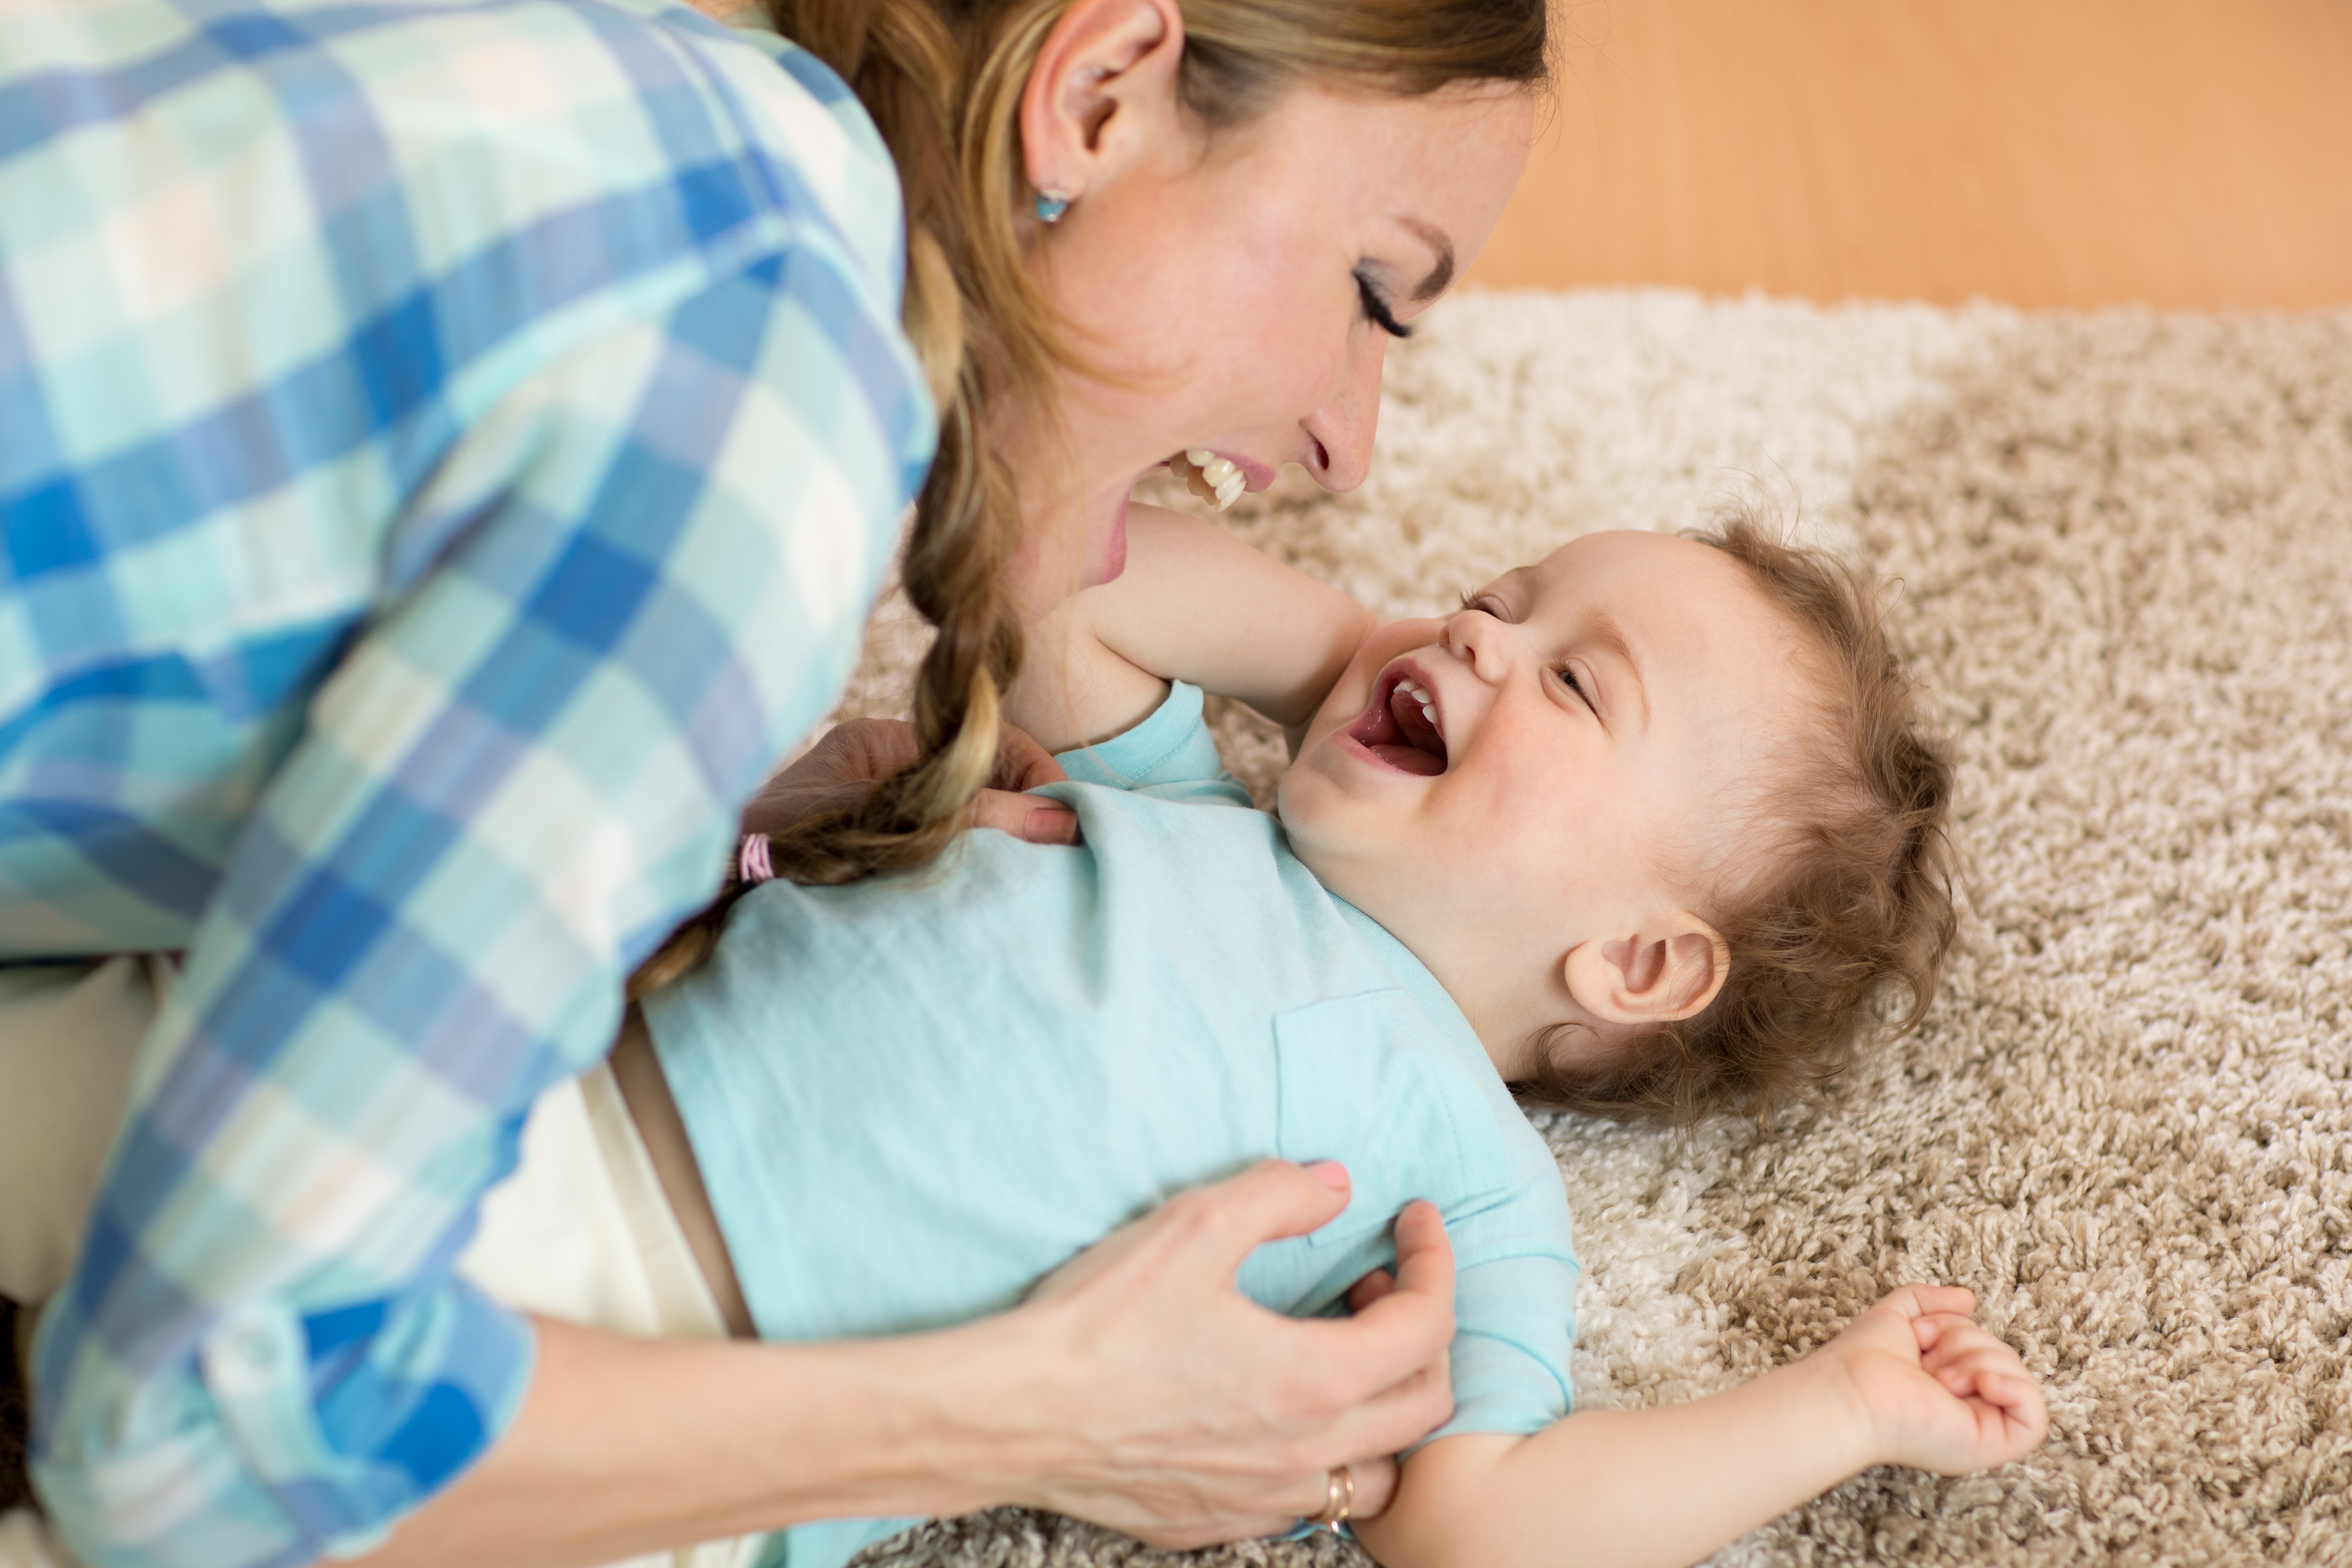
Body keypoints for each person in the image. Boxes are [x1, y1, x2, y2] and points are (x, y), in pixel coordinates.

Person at [0, 0, 1547, 1563]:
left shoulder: (685, 111)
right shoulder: (754, 435)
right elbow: (197, 1449)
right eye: (1373, 291)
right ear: (1093, 97)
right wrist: (1048, 1410)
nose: (1355, 448)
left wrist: (662, 837)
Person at [5, 510, 2050, 1568]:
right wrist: (1364, 645)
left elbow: (1481, 1530)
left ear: (1638, 968)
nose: (1473, 632)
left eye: (1574, 683)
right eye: (1496, 593)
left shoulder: (1466, 1186)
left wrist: (1837, 1408)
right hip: (494, 1069)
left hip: (678, 1389)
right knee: (81, 1076)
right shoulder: (1184, 804)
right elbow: (1079, 570)